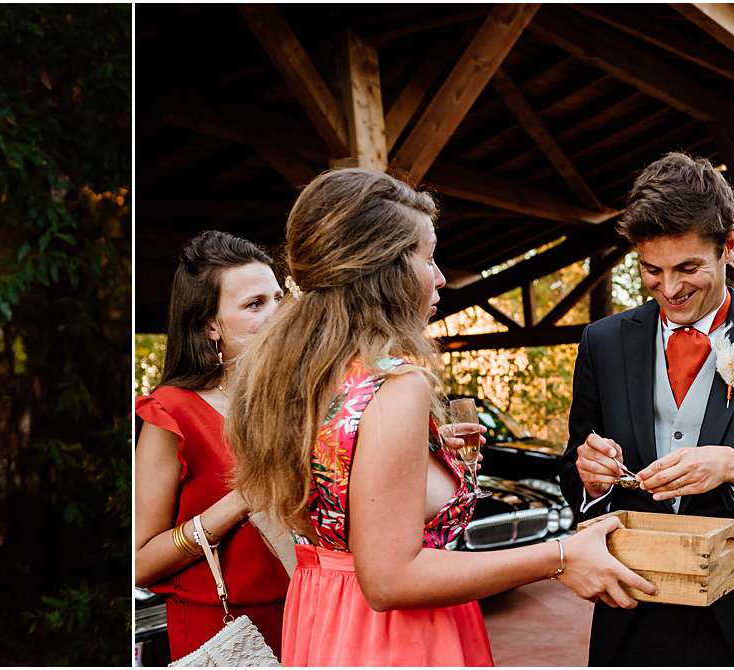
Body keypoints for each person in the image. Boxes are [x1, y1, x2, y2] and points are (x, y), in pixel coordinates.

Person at [228, 167, 653, 667]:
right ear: (383, 267)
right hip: (395, 639)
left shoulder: (296, 376)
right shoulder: (395, 384)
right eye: (427, 257)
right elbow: (390, 579)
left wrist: (425, 453)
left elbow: (339, 485)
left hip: (325, 615)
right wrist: (561, 556)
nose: (441, 277)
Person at [559, 152, 734, 665]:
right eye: (651, 270)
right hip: (629, 618)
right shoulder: (602, 343)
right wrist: (590, 476)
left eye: (688, 267)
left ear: (729, 243)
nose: (669, 289)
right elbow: (573, 478)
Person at [133, 230, 290, 659]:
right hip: (226, 630)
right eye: (255, 304)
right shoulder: (171, 414)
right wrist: (240, 502)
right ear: (210, 327)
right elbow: (139, 562)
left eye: (278, 298)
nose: (277, 315)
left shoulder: (297, 403)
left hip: (310, 613)